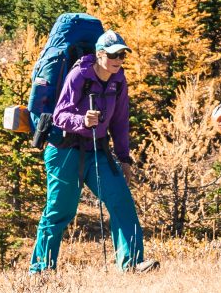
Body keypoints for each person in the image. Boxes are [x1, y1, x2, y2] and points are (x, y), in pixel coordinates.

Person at [31, 29, 159, 274]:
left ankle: (132, 263)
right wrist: (82, 121)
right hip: (64, 151)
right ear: (100, 54)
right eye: (113, 54)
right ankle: (41, 271)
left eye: (122, 55)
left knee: (121, 200)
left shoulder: (118, 80)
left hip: (96, 151)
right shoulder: (79, 75)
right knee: (60, 211)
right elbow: (59, 116)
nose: (118, 60)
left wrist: (124, 158)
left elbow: (120, 122)